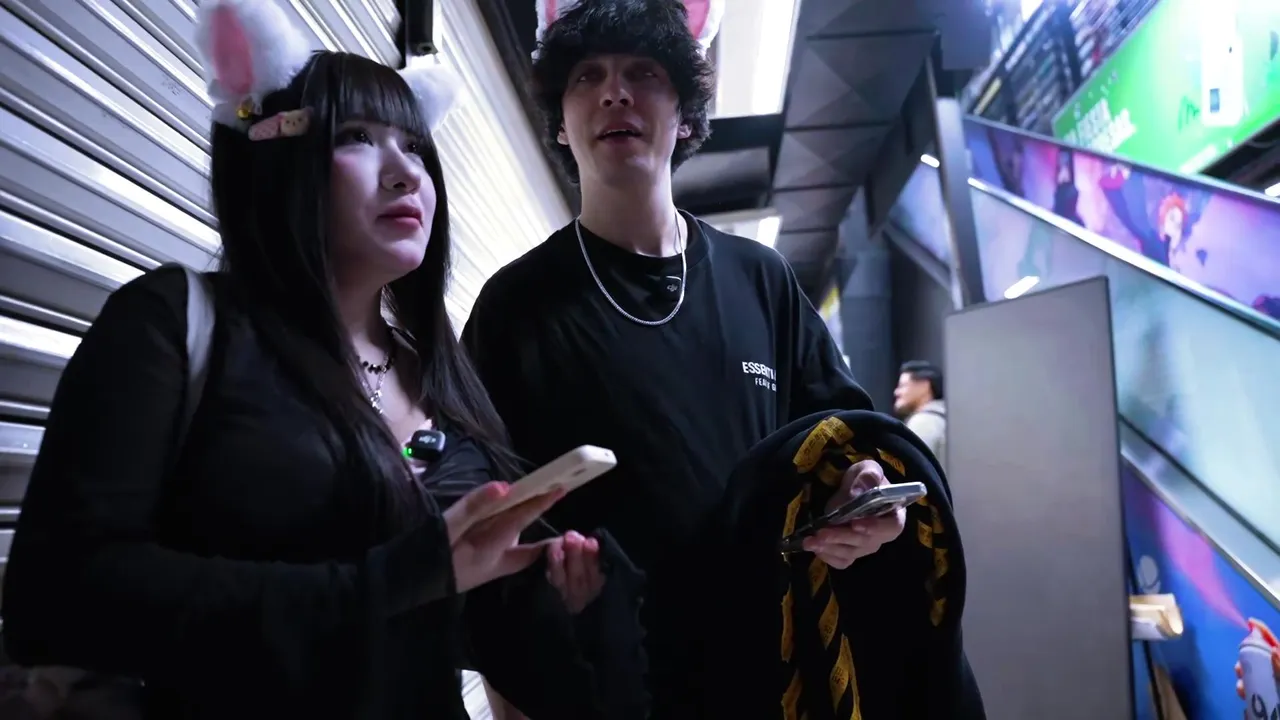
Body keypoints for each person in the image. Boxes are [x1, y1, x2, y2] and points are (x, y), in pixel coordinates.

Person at [0, 1, 647, 718]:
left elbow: (469, 632)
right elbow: (57, 597)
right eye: (357, 137)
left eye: (415, 147)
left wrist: (565, 601)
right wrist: (391, 580)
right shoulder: (173, 322)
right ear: (275, 154)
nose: (406, 174)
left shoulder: (439, 372)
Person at [461, 1, 907, 715]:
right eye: (587, 76)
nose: (615, 92)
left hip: (768, 670)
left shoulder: (760, 279)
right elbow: (480, 522)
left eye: (643, 73)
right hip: (608, 686)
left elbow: (843, 437)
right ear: (561, 121)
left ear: (687, 115)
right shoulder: (514, 307)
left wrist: (863, 493)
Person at [893, 360, 948, 473]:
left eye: (902, 386)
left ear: (924, 386)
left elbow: (912, 471)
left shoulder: (923, 422)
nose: (896, 392)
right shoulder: (942, 420)